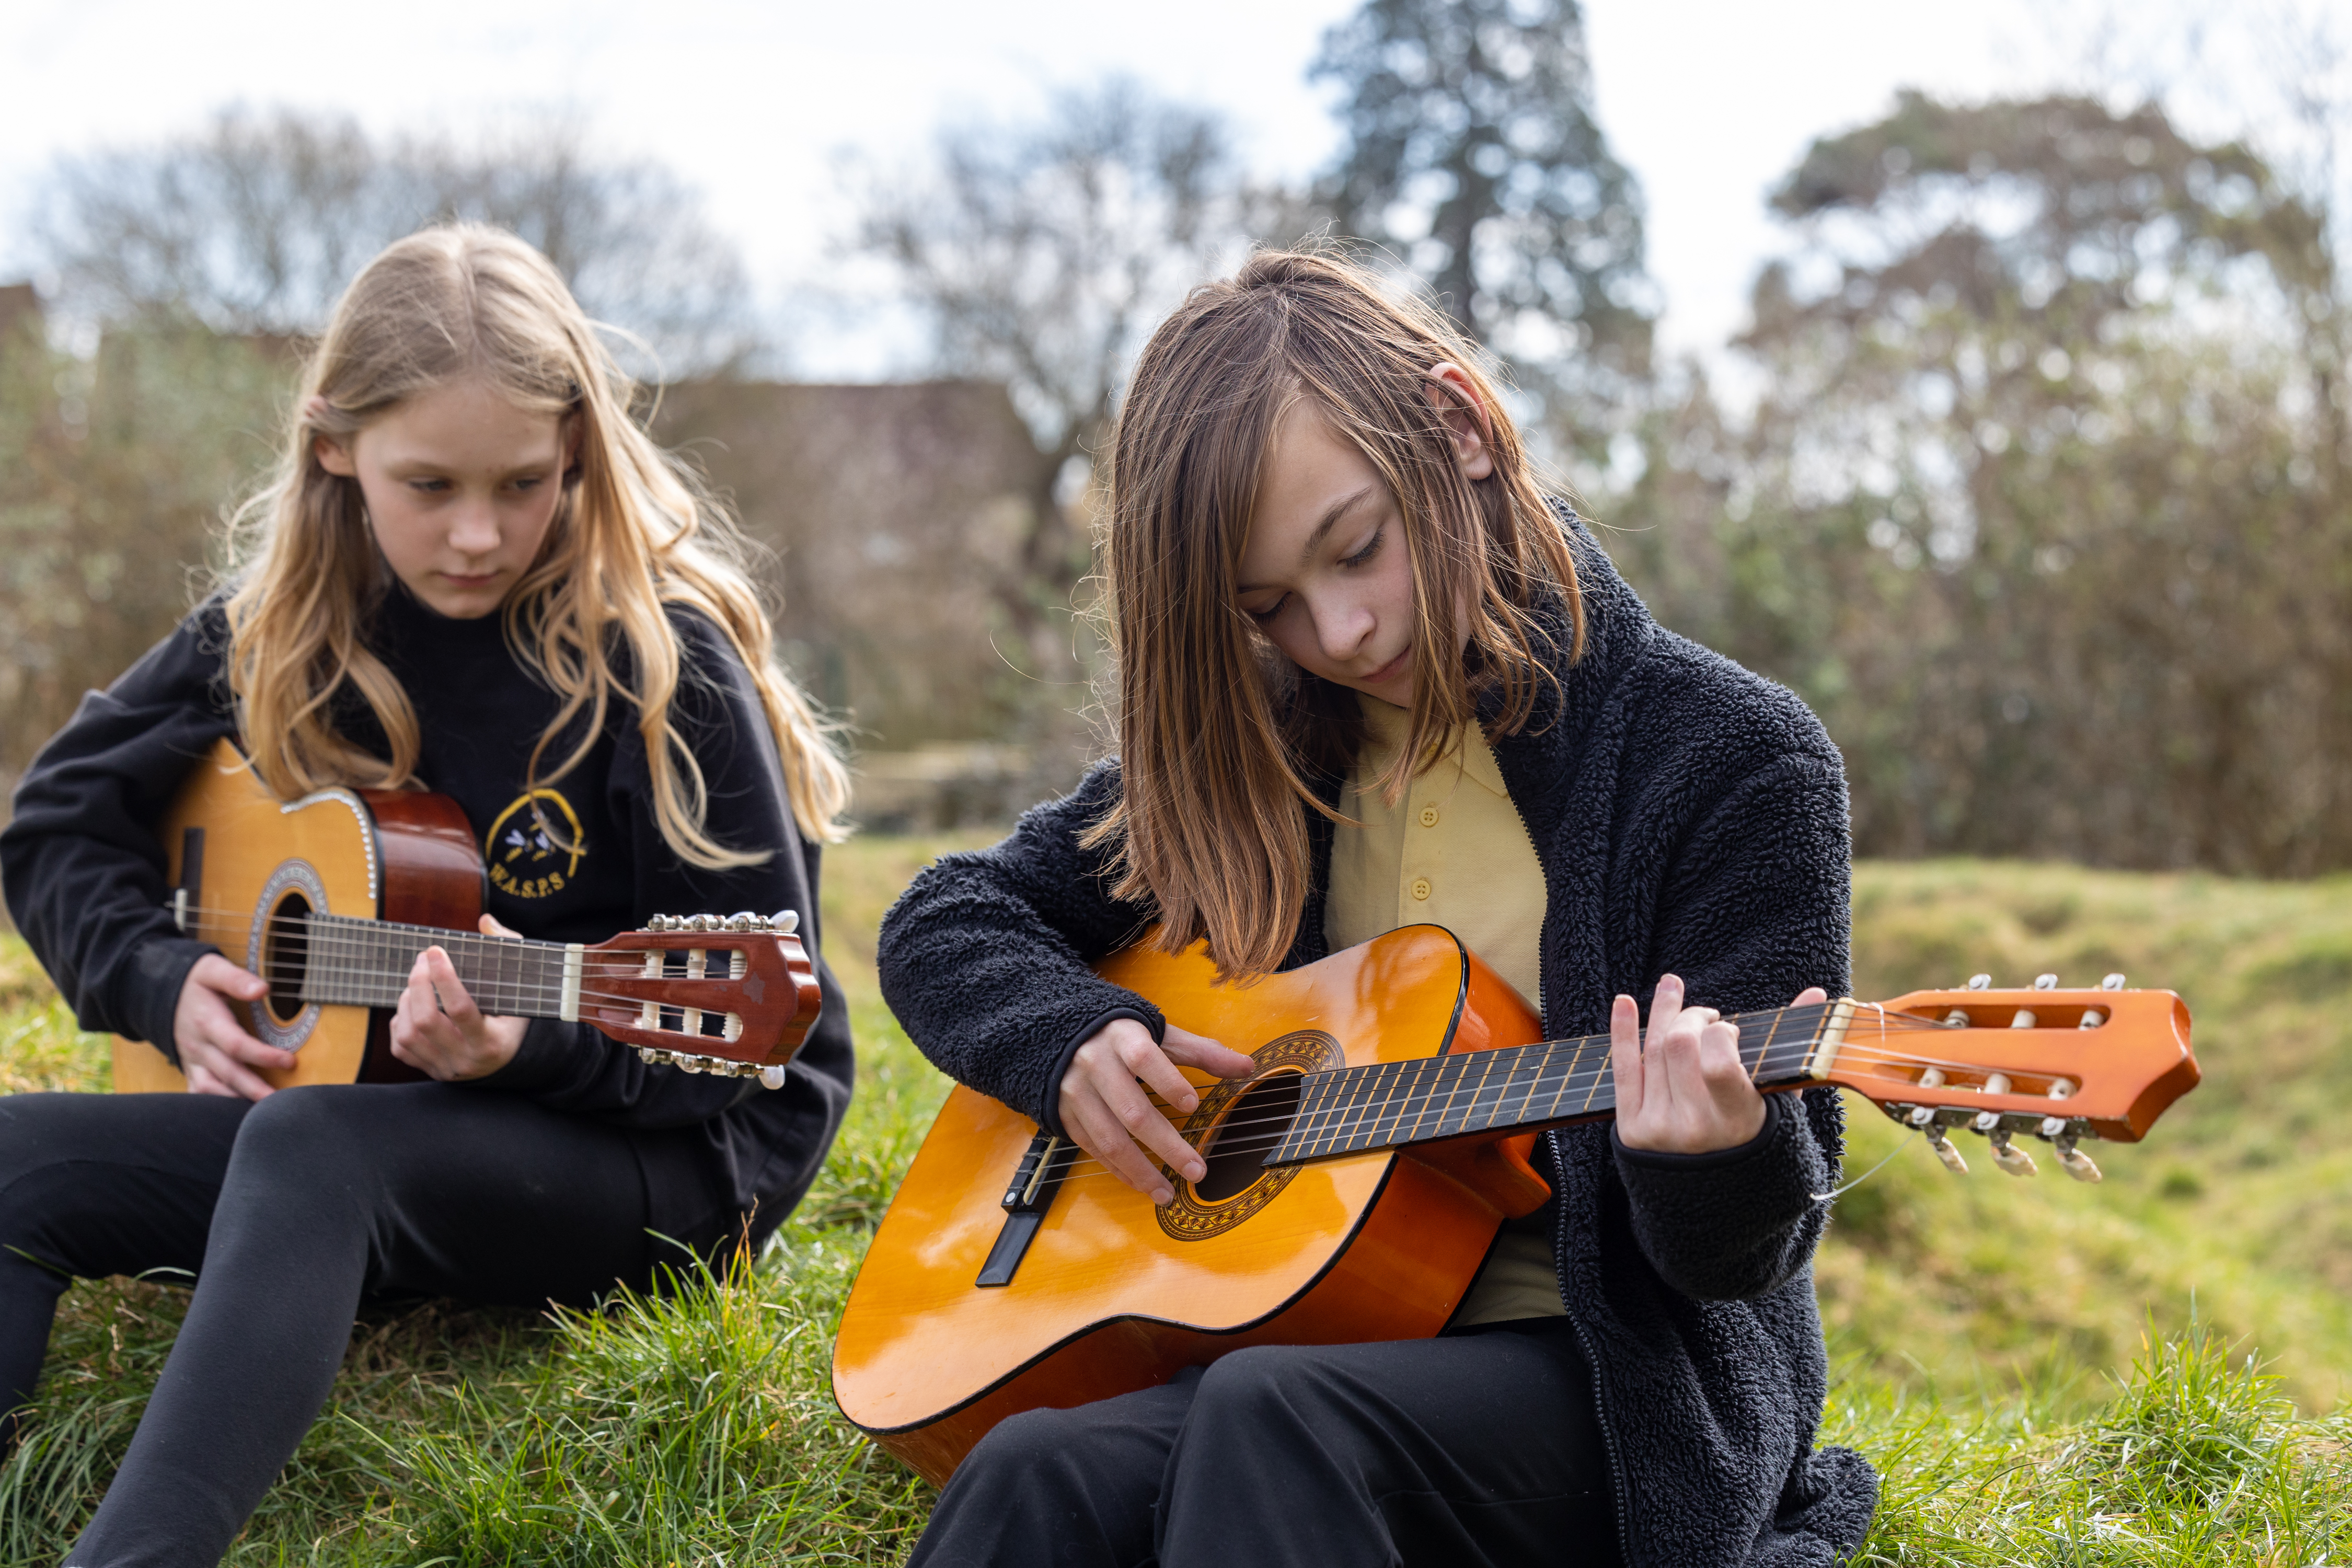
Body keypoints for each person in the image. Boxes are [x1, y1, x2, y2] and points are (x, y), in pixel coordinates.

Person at [875, 249, 1877, 1568]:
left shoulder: (1730, 757)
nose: (1339, 632)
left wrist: (1709, 1158)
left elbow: (1739, 1259)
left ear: (1457, 428)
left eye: (1358, 547)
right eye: (1269, 606)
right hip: (1312, 1340)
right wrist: (1067, 1041)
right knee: (1036, 1469)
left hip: (1616, 1383)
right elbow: (946, 920)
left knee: (1271, 1417)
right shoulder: (1266, 760)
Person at [0, 225, 854, 1568]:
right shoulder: (281, 627)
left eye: (523, 483)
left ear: (577, 449)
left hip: (669, 1156)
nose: (478, 532)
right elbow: (54, 824)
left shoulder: (658, 660)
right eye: (430, 484)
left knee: (314, 1150)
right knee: (15, 1155)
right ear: (335, 446)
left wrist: (536, 1044)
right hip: (384, 1123)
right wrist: (160, 987)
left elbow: (774, 1042)